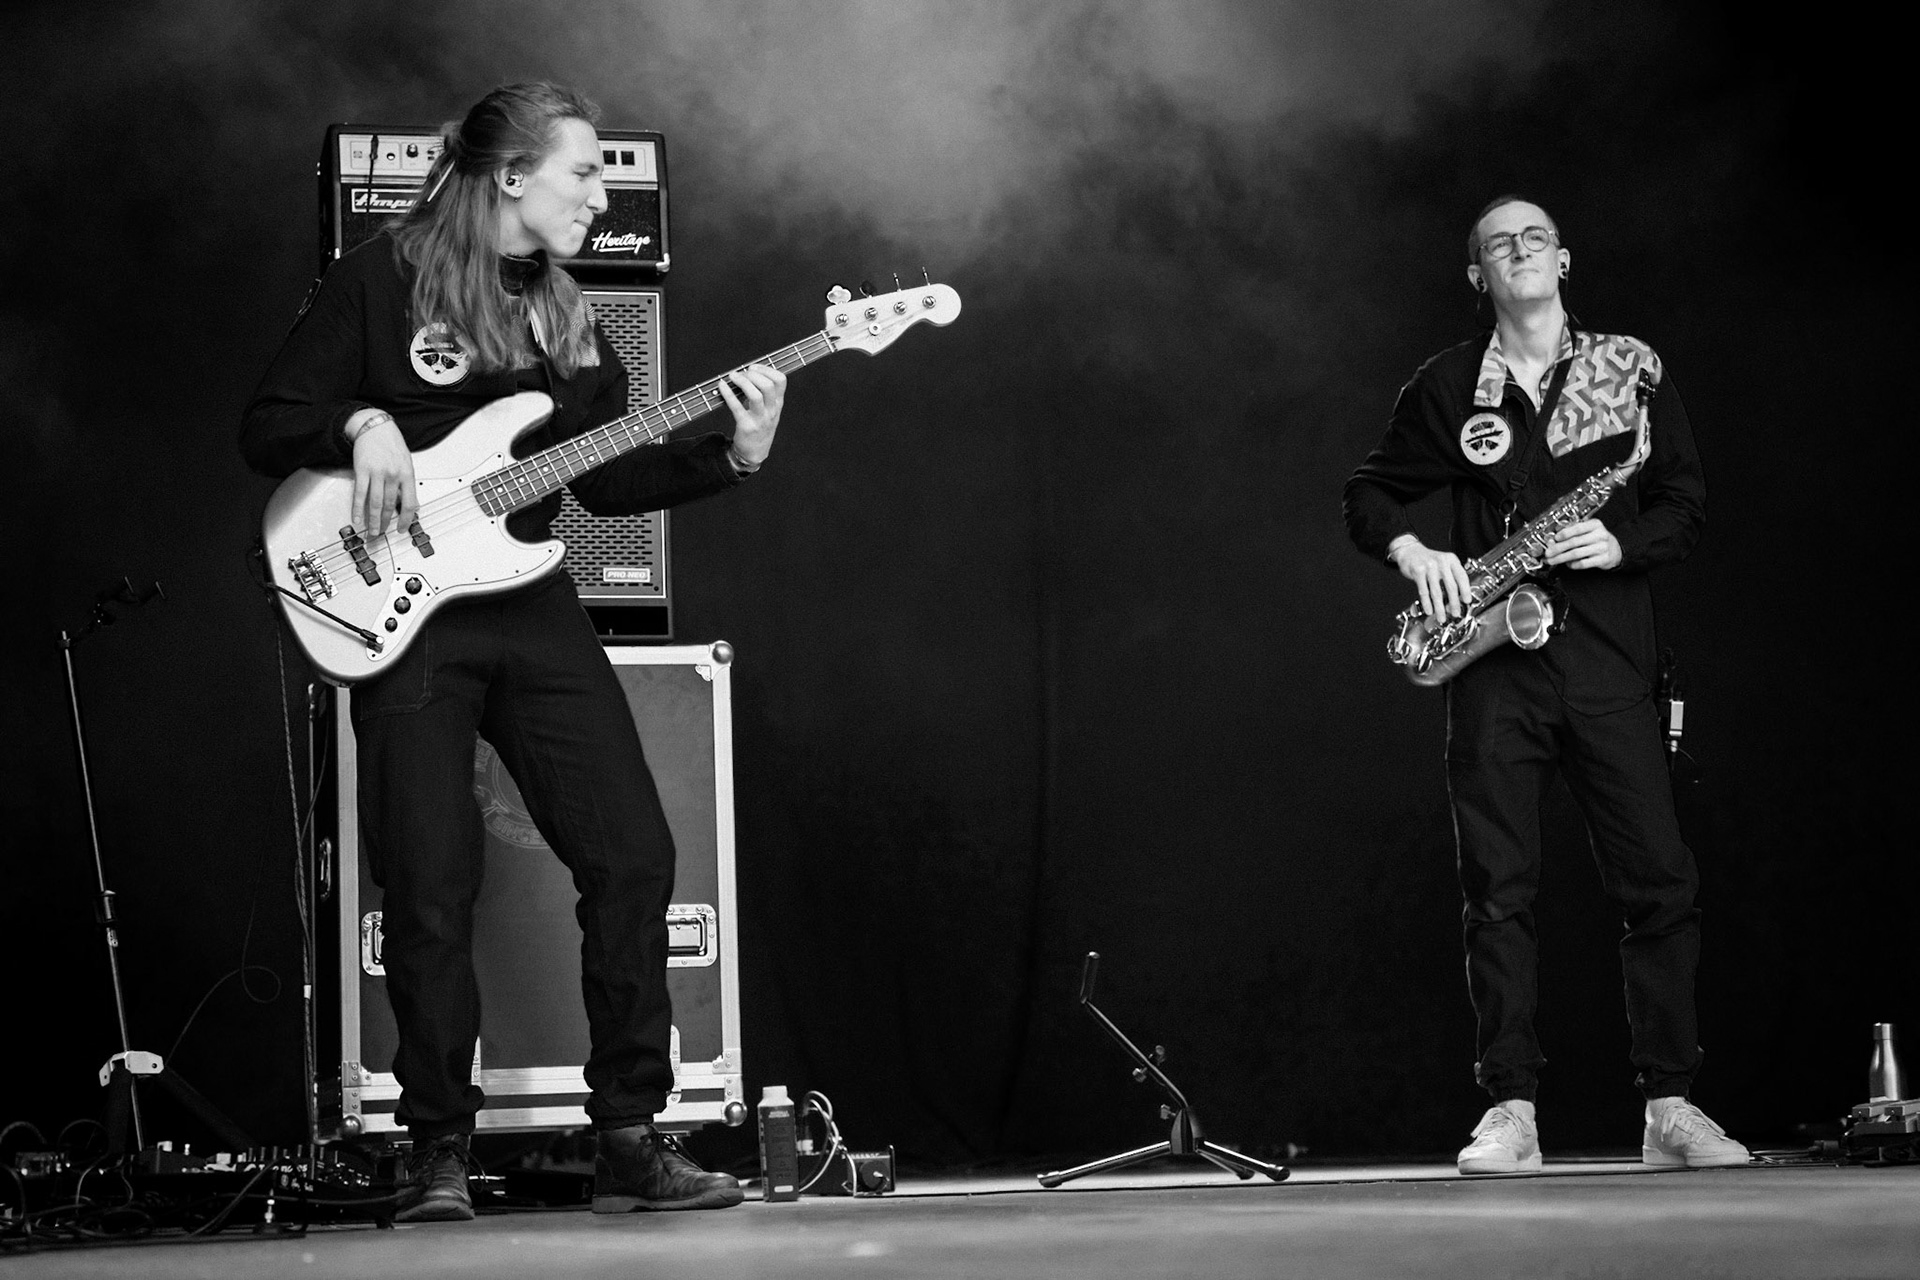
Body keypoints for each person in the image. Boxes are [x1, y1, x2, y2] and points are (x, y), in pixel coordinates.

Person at [241, 82, 786, 1220]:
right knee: (432, 882)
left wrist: (733, 456)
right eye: (586, 171)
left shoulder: (570, 318)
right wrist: (361, 421)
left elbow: (605, 474)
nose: (604, 190)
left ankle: (631, 1135)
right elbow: (269, 420)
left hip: (529, 601)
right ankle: (437, 1146)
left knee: (634, 853)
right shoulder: (381, 279)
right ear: (512, 177)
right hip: (403, 608)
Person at [1342, 196, 1749, 1175]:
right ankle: (1511, 1108)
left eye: (1536, 237)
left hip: (1610, 662)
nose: (1519, 249)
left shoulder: (1625, 368)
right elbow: (1369, 491)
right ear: (1479, 275)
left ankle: (1670, 1104)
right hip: (1494, 666)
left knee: (1659, 882)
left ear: (1563, 259)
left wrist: (1620, 538)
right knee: (1499, 890)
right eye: (1497, 243)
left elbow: (1686, 502)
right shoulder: (1446, 386)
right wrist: (1412, 549)